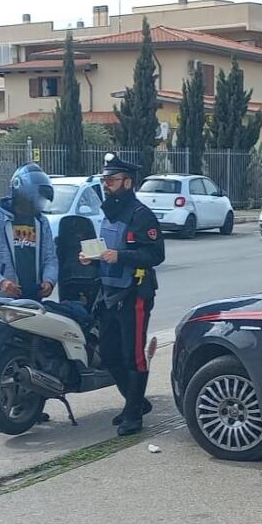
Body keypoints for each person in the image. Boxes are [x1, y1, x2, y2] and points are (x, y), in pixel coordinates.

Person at [80, 154, 165, 435]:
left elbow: (155, 254)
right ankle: (136, 402)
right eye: (105, 180)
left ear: (128, 182)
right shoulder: (109, 212)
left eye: (112, 180)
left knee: (133, 356)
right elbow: (108, 248)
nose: (107, 185)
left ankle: (133, 416)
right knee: (109, 353)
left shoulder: (141, 215)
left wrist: (121, 256)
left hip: (134, 294)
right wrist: (91, 258)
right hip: (109, 292)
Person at [0, 163, 59, 301]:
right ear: (22, 194)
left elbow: (50, 258)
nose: (39, 203)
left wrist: (49, 280)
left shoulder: (41, 222)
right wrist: (1, 282)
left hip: (33, 297)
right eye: (35, 198)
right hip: (3, 299)